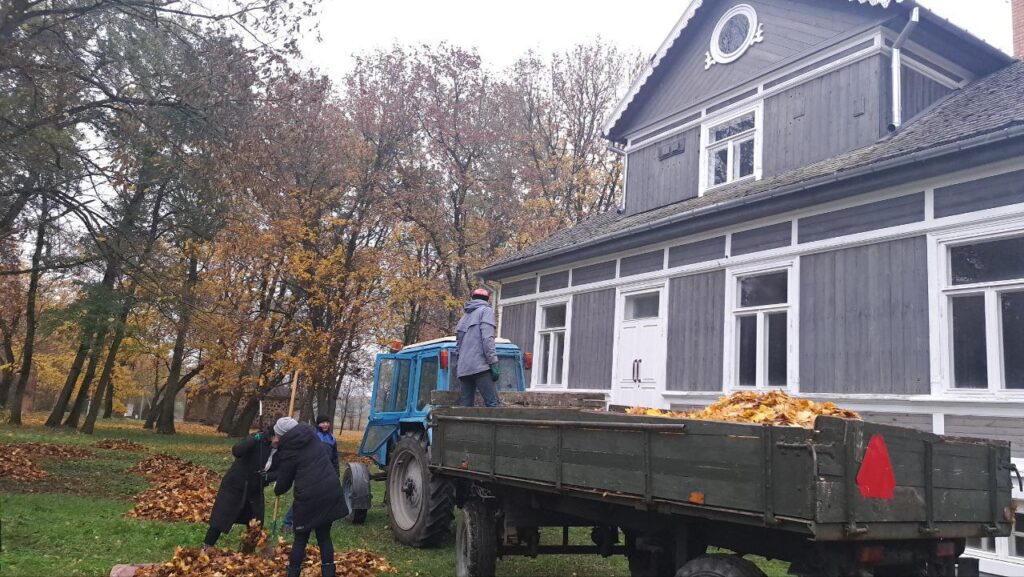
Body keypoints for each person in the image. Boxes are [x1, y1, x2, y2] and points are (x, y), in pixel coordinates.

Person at [273, 416, 348, 577]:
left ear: (283, 434)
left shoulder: (288, 449)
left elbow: (283, 484)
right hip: (330, 489)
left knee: (300, 538)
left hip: (310, 497)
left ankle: (293, 573)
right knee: (324, 536)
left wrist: (276, 488)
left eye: (278, 434)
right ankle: (329, 573)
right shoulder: (312, 436)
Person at [203, 426, 277, 548]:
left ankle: (248, 553)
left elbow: (282, 471)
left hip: (255, 490)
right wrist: (254, 439)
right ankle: (207, 547)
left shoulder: (282, 450)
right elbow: (237, 451)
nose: (278, 441)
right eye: (277, 437)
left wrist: (268, 477)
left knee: (255, 523)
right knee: (221, 518)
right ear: (271, 436)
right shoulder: (257, 439)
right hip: (235, 485)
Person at [281, 414, 340, 531]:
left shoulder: (332, 439)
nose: (325, 425)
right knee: (304, 499)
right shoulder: (313, 435)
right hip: (312, 472)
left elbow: (334, 458)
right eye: (322, 422)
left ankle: (314, 523)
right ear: (318, 424)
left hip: (325, 473)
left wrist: (336, 473)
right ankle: (288, 522)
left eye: (327, 422)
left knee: (320, 500)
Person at [455, 287, 501, 407]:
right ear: (487, 299)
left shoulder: (463, 318)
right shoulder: (486, 311)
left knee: (465, 407)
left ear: (472, 298)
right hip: (480, 367)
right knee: (493, 404)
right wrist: (493, 363)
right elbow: (487, 339)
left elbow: (458, 347)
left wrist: (460, 364)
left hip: (463, 369)